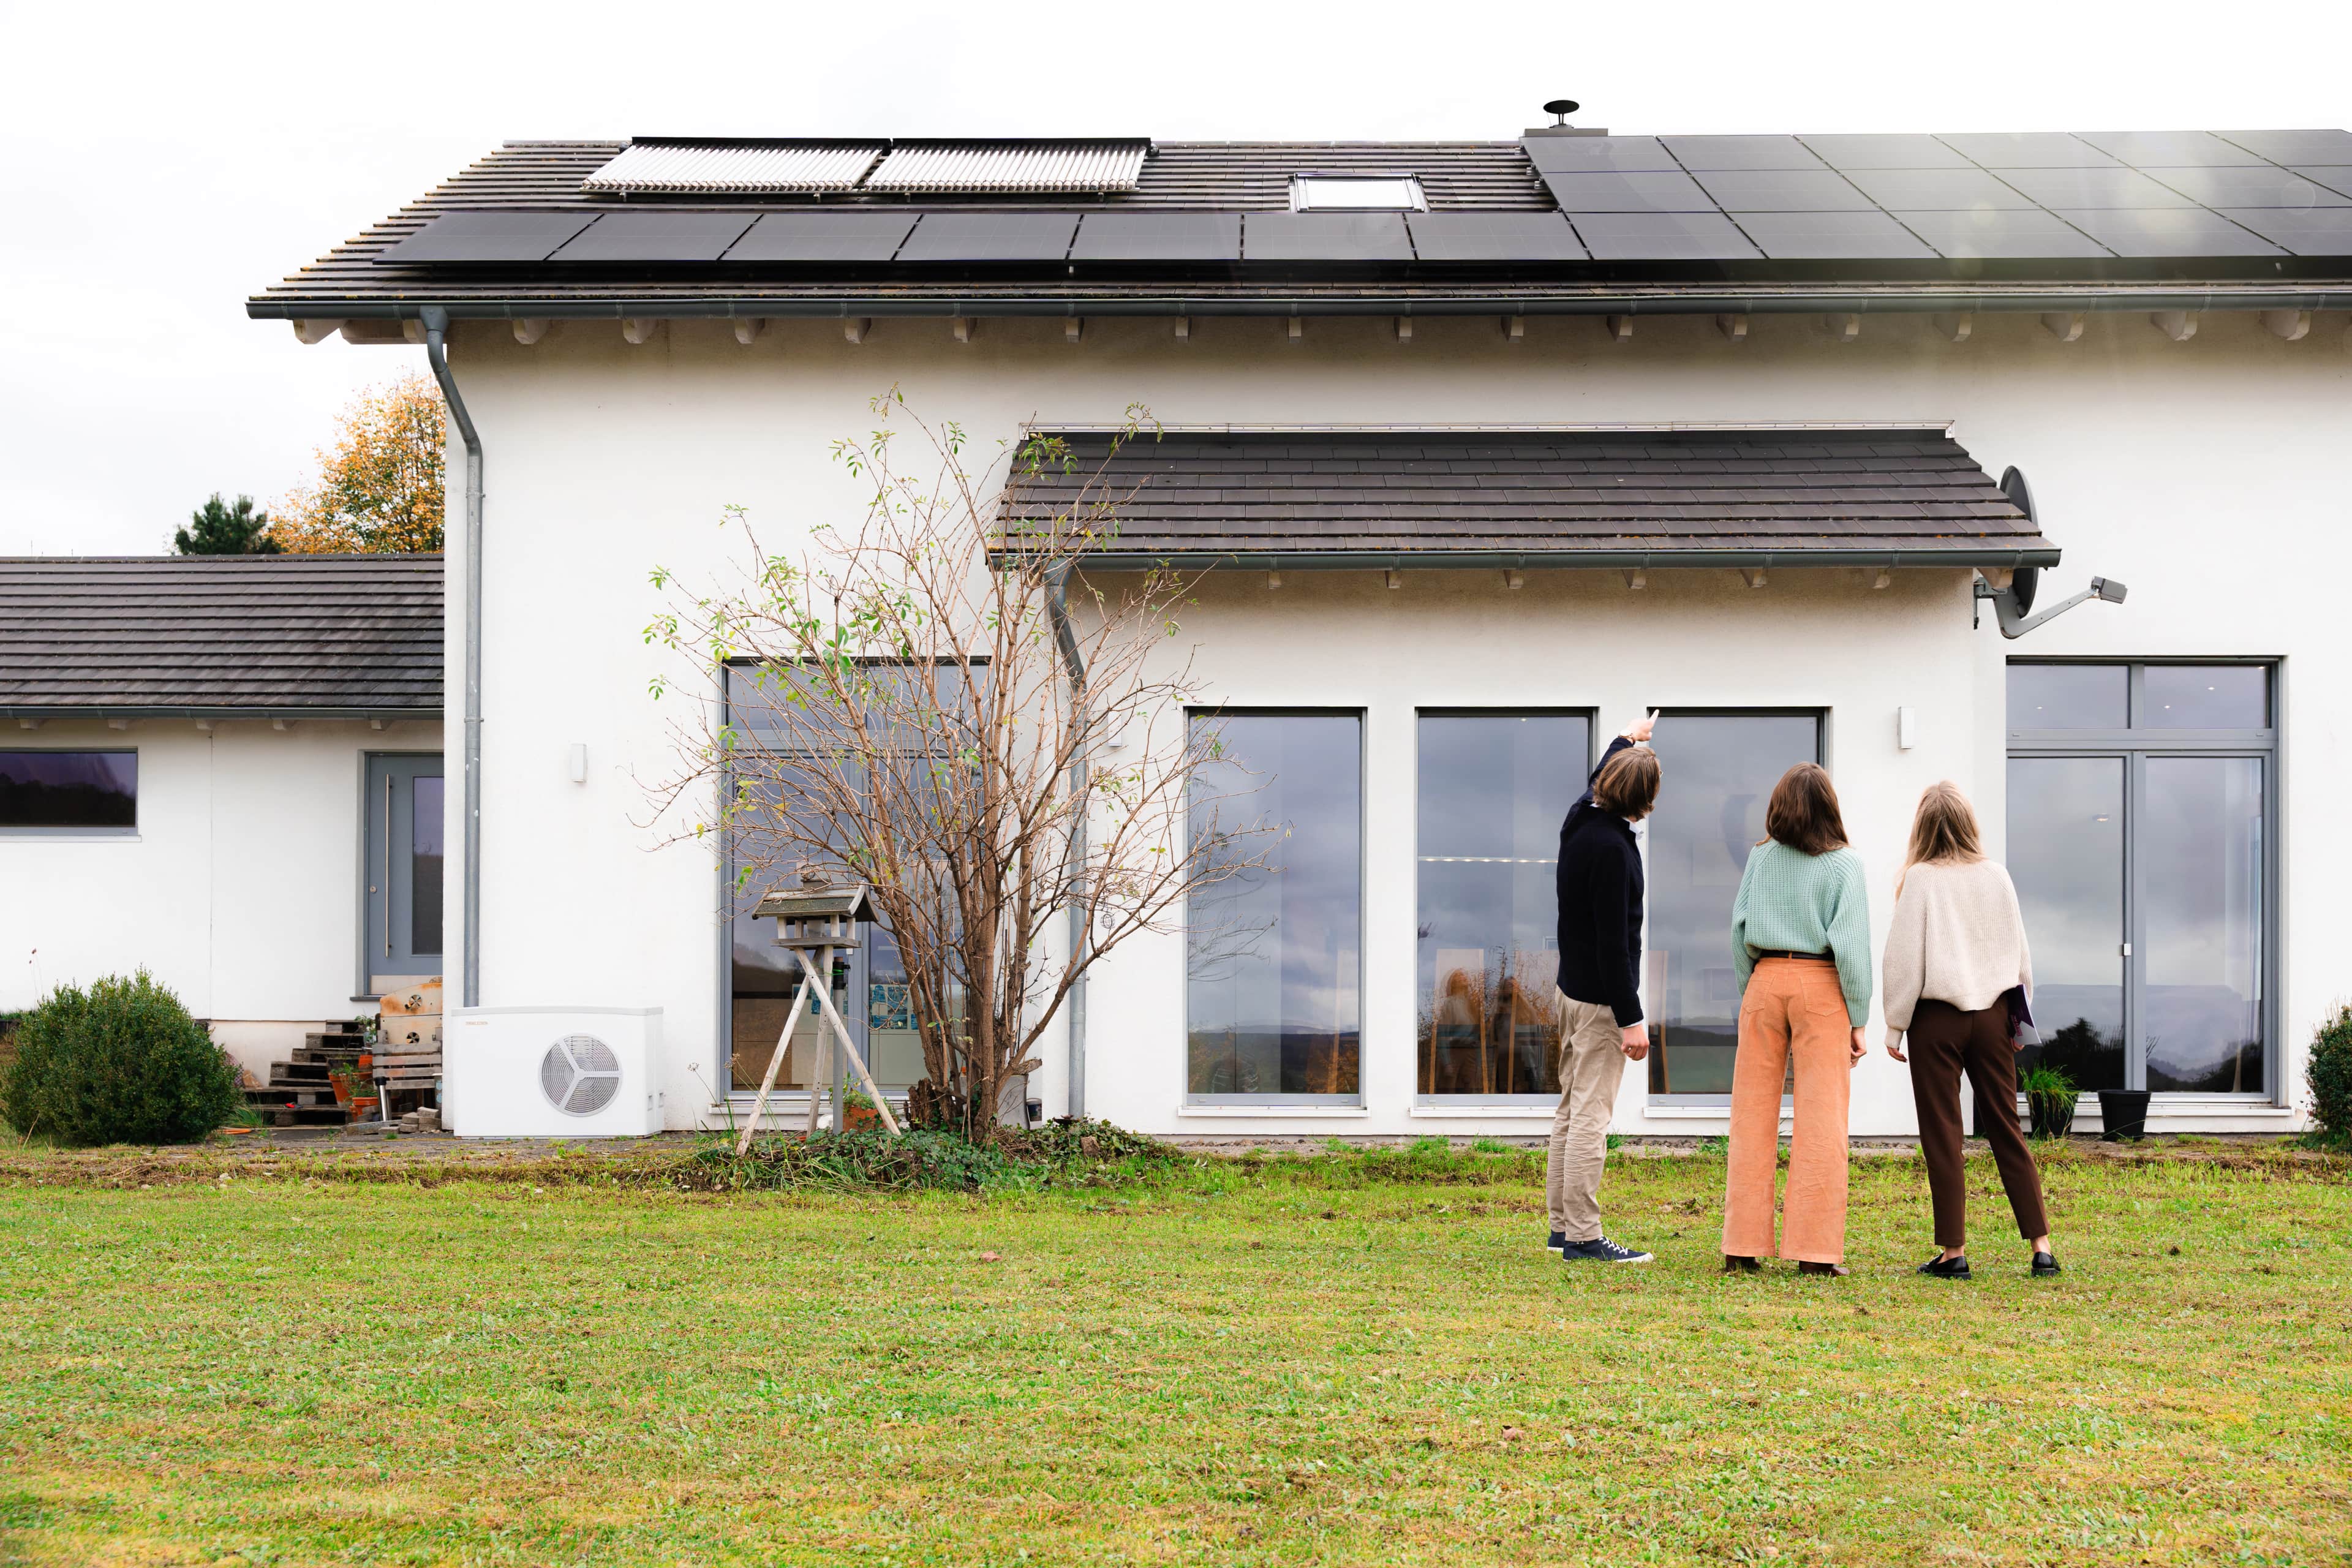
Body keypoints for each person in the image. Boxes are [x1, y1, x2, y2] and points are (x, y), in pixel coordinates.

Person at [1882, 782, 2060, 1279]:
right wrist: (2020, 1019)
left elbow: (1902, 961)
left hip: (1936, 1018)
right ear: (1968, 823)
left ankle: (1953, 1252)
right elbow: (2022, 960)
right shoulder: (1997, 877)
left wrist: (1895, 1027)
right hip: (1993, 1015)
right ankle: (2041, 1246)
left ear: (1923, 827)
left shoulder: (1919, 880)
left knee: (1944, 1134)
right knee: (2007, 1127)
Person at [1722, 763, 1872, 1277]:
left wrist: (1755, 993)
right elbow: (1852, 950)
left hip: (1765, 979)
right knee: (1822, 1120)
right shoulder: (1844, 866)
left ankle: (1741, 1247)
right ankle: (1814, 1253)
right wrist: (1859, 1017)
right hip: (1822, 985)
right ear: (1830, 807)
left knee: (1751, 1116)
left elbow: (1738, 928)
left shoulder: (1760, 857)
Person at [1547, 712, 1662, 1265]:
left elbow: (1598, 779)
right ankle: (1584, 1237)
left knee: (1570, 1109)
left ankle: (1560, 1227)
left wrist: (1628, 738)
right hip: (1597, 1003)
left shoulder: (1579, 819)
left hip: (1571, 992)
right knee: (1591, 1116)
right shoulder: (1614, 850)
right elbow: (1617, 945)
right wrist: (1631, 1018)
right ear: (1643, 802)